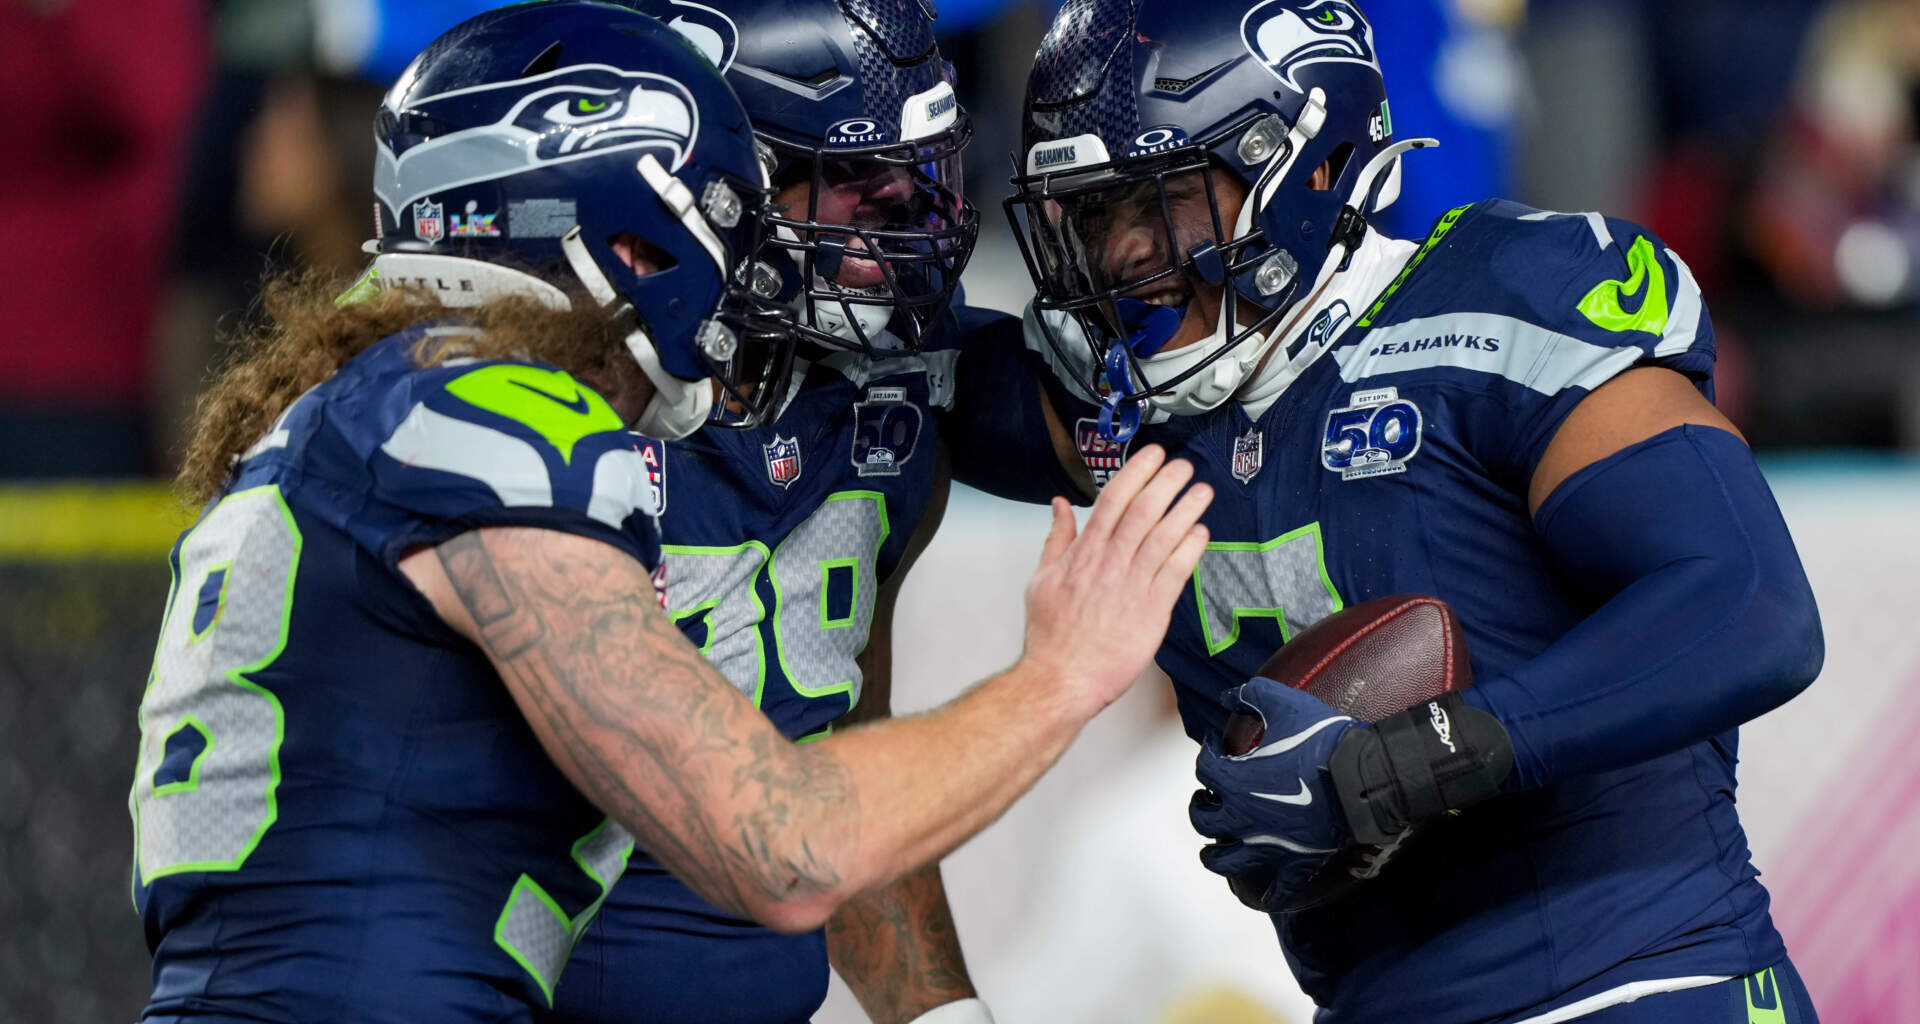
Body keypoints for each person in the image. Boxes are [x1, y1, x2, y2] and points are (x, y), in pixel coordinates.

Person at [127, 4, 1213, 1022]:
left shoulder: (392, 394)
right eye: (692, 220)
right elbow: (783, 842)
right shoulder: (480, 418)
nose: (710, 266)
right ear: (608, 231)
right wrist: (1057, 677)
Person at [946, 1, 1828, 1020]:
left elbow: (1752, 606)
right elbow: (870, 384)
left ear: (1308, 169)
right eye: (1096, 213)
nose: (1125, 257)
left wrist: (1410, 763)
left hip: (1641, 981)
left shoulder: (1498, 304)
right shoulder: (1117, 400)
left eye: (1163, 199)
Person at [549, 2, 992, 1022]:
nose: (900, 227)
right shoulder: (540, 394)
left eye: (914, 175)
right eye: (855, 183)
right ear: (716, 180)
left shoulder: (902, 386)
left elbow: (829, 755)